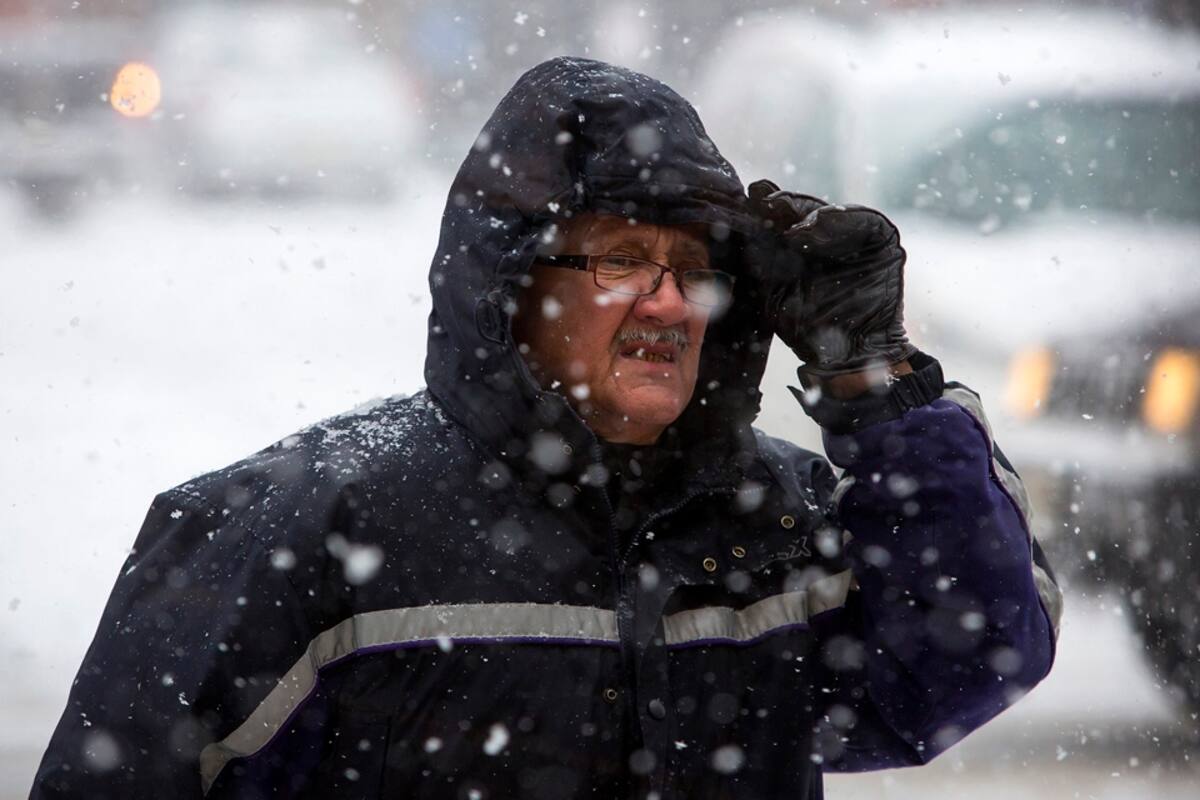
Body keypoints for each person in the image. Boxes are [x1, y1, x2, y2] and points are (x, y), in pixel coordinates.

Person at [32, 56, 1062, 800]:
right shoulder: (299, 530)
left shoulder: (772, 524)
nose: (667, 303)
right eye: (619, 258)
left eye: (693, 268)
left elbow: (976, 651)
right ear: (511, 286)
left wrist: (878, 384)